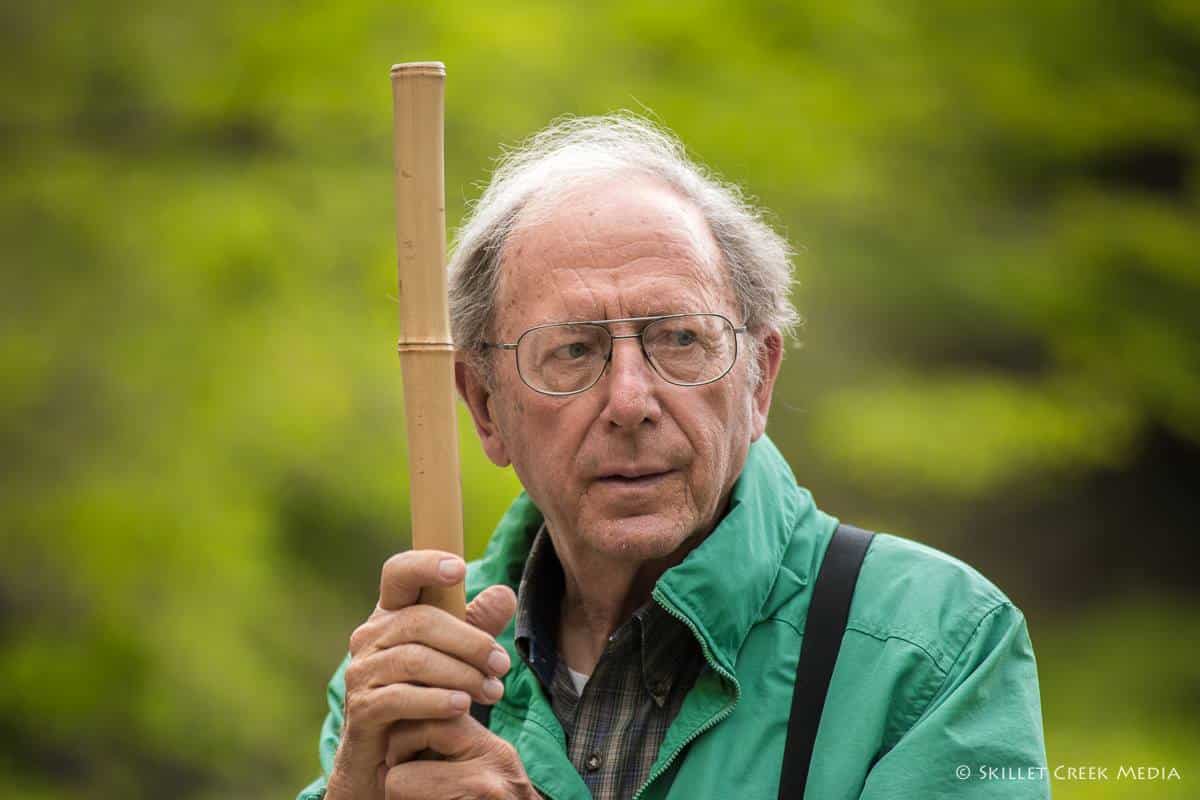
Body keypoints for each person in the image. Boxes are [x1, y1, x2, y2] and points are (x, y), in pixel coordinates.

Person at [297, 115, 1049, 800]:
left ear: (759, 380)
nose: (630, 400)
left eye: (680, 340)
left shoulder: (933, 648)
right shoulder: (419, 670)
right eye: (572, 351)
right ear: (487, 408)